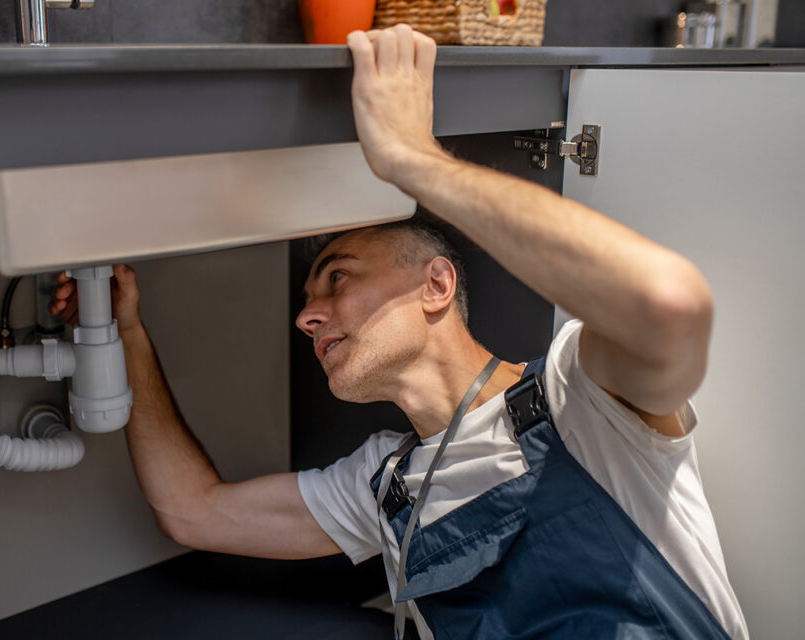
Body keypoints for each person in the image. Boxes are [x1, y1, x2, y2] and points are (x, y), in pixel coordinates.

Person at [51, 25, 747, 640]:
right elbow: (193, 513)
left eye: (337, 277)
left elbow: (667, 304)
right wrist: (128, 333)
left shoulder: (582, 403)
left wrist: (412, 159)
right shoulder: (384, 486)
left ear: (437, 286)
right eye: (306, 296)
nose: (305, 315)